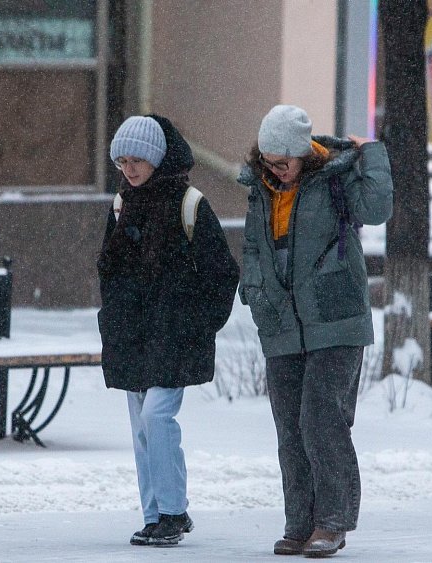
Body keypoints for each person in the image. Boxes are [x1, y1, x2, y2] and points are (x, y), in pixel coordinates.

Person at [237, 105, 392, 557]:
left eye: (284, 162)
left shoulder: (336, 177)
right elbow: (252, 246)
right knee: (289, 427)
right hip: (282, 320)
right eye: (269, 161)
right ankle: (299, 524)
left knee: (320, 419)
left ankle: (332, 521)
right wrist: (254, 291)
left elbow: (378, 208)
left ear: (305, 155)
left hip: (336, 316)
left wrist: (374, 154)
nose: (276, 170)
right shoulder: (259, 190)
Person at [97, 115, 239, 547]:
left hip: (175, 334)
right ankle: (155, 514)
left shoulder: (190, 203)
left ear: (157, 158)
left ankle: (172, 513)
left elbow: (222, 273)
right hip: (133, 333)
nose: (130, 168)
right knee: (141, 426)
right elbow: (109, 268)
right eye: (122, 161)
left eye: (137, 159)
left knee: (156, 416)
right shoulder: (121, 204)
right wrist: (115, 318)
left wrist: (197, 326)